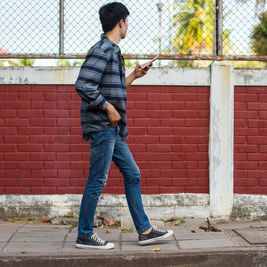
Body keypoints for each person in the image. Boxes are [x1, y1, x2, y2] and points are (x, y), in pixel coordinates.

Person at [74, 2, 173, 250]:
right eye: (127, 22)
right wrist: (108, 108)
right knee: (97, 179)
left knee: (132, 173)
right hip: (102, 125)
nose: (128, 26)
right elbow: (83, 85)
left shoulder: (112, 51)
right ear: (121, 22)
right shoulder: (102, 50)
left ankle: (145, 231)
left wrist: (134, 77)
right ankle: (84, 234)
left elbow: (111, 89)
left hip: (112, 128)